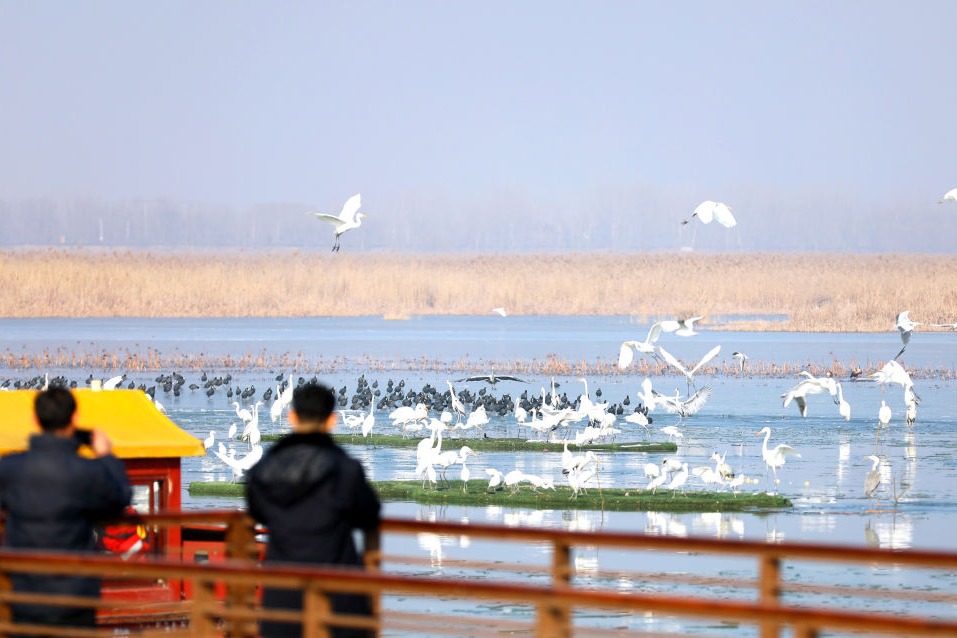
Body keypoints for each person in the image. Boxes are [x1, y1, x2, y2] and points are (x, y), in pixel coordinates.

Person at [246, 381, 381, 638]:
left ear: (292, 417)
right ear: (332, 421)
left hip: (282, 599)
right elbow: (368, 513)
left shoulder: (264, 470)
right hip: (337, 599)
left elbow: (257, 512)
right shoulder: (345, 469)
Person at [0, 387, 132, 631]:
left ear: (35, 420)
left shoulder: (9, 469)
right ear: (75, 418)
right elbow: (121, 496)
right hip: (75, 595)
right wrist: (106, 456)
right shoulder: (87, 472)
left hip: (25, 593)